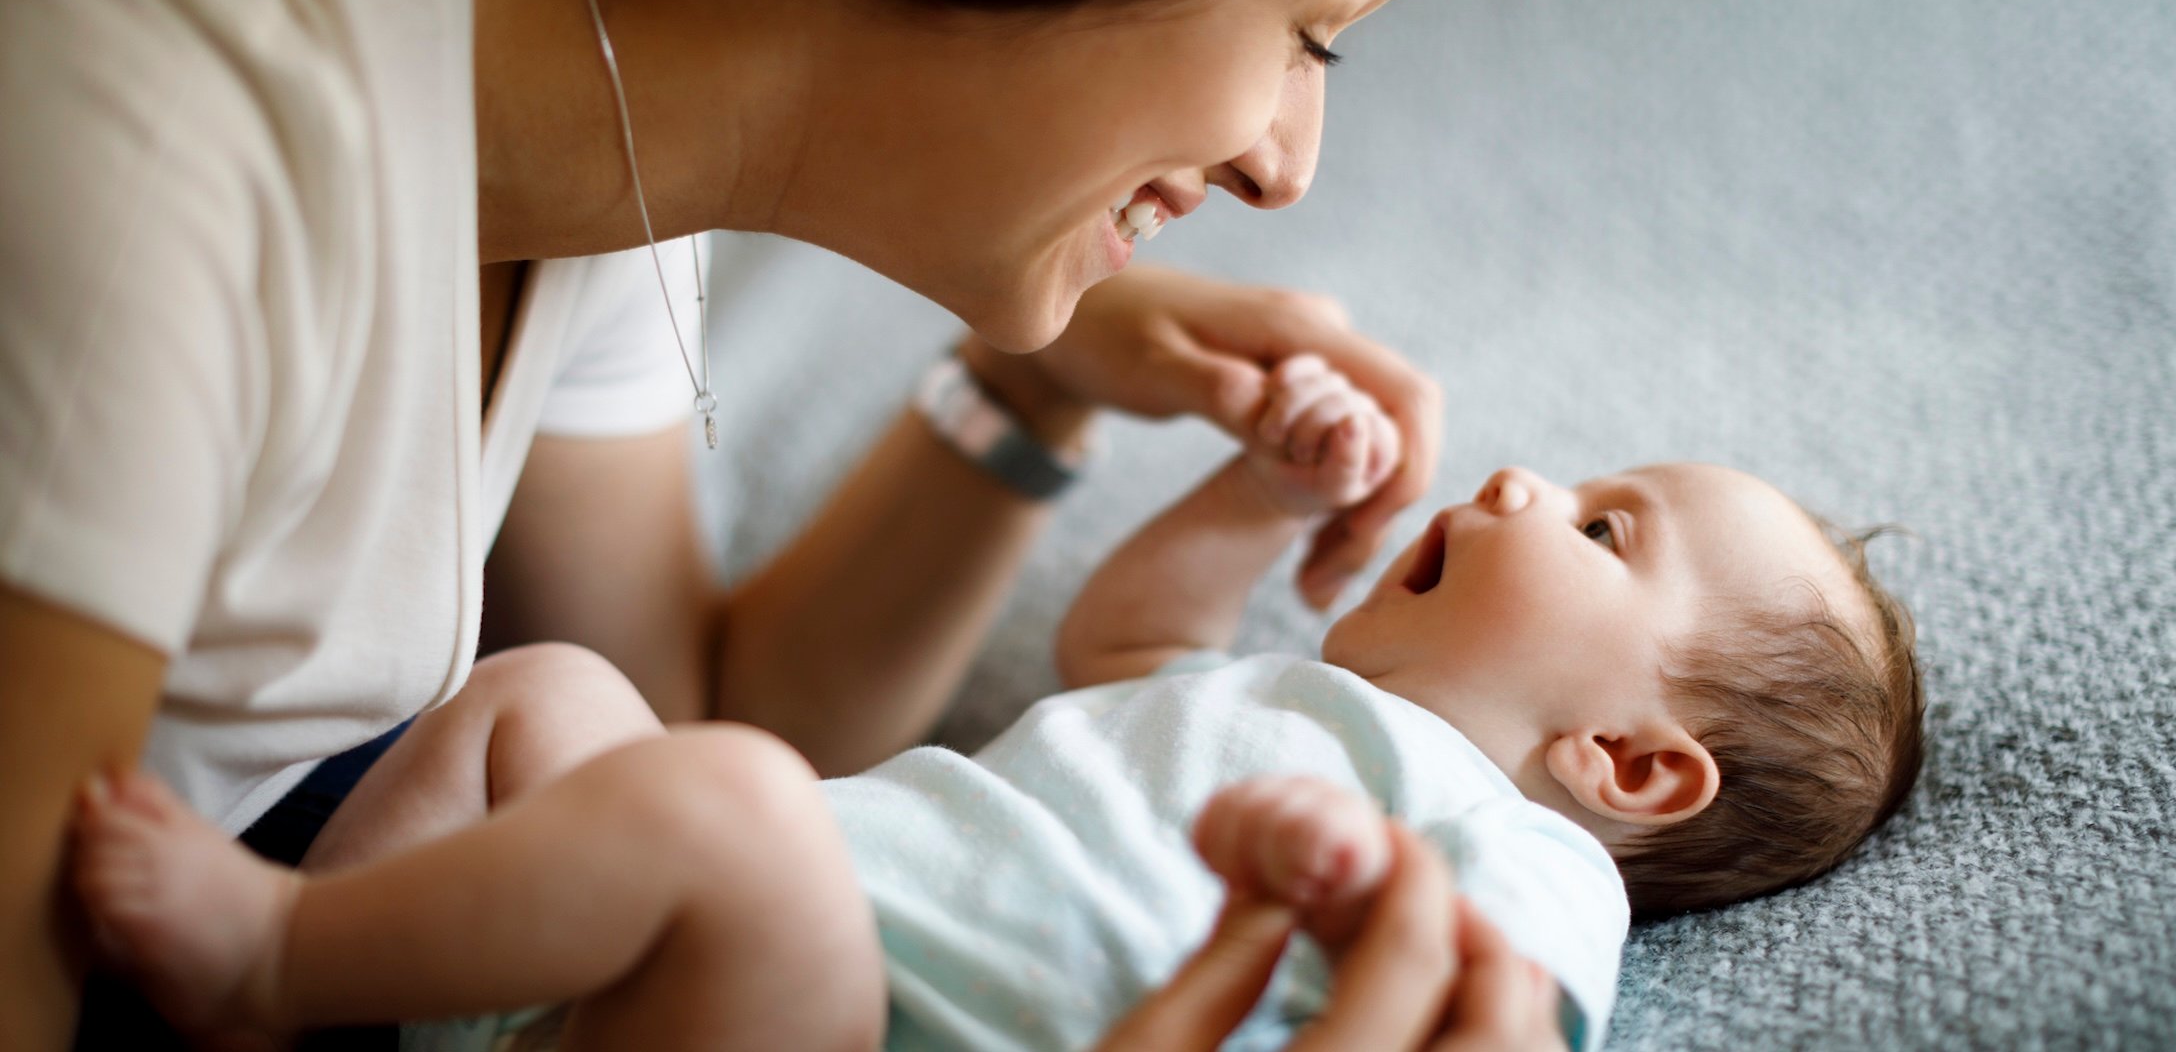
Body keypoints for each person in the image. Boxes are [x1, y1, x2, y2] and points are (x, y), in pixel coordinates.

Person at [0, 0, 1532, 1044]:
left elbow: (687, 755)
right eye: (1319, 27)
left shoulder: (597, 121)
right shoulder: (151, 110)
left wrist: (1028, 401)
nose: (1288, 166)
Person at [70, 355, 1926, 1050]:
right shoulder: (1273, 695)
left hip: (824, 1013)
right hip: (619, 966)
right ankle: (325, 971)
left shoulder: (1517, 859)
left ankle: (262, 962)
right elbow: (1127, 639)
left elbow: (1486, 1018)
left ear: (1631, 762)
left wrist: (1375, 913)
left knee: (727, 801)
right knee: (545, 692)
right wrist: (1259, 494)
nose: (1522, 485)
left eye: (1608, 528)